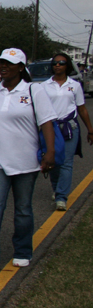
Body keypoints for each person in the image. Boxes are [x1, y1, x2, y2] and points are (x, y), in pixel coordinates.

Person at [0, 48, 58, 276]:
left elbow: (46, 122)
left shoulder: (34, 90)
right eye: (1, 63)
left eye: (9, 63)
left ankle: (23, 251)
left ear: (21, 67)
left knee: (23, 209)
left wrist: (50, 152)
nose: (3, 67)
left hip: (26, 161)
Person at [42, 52, 93, 211]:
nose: (58, 65)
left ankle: (61, 197)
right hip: (51, 128)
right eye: (55, 63)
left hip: (70, 127)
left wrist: (90, 130)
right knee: (53, 162)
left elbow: (82, 109)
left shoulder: (75, 85)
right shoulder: (44, 86)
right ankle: (57, 188)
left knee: (66, 163)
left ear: (67, 66)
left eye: (61, 63)